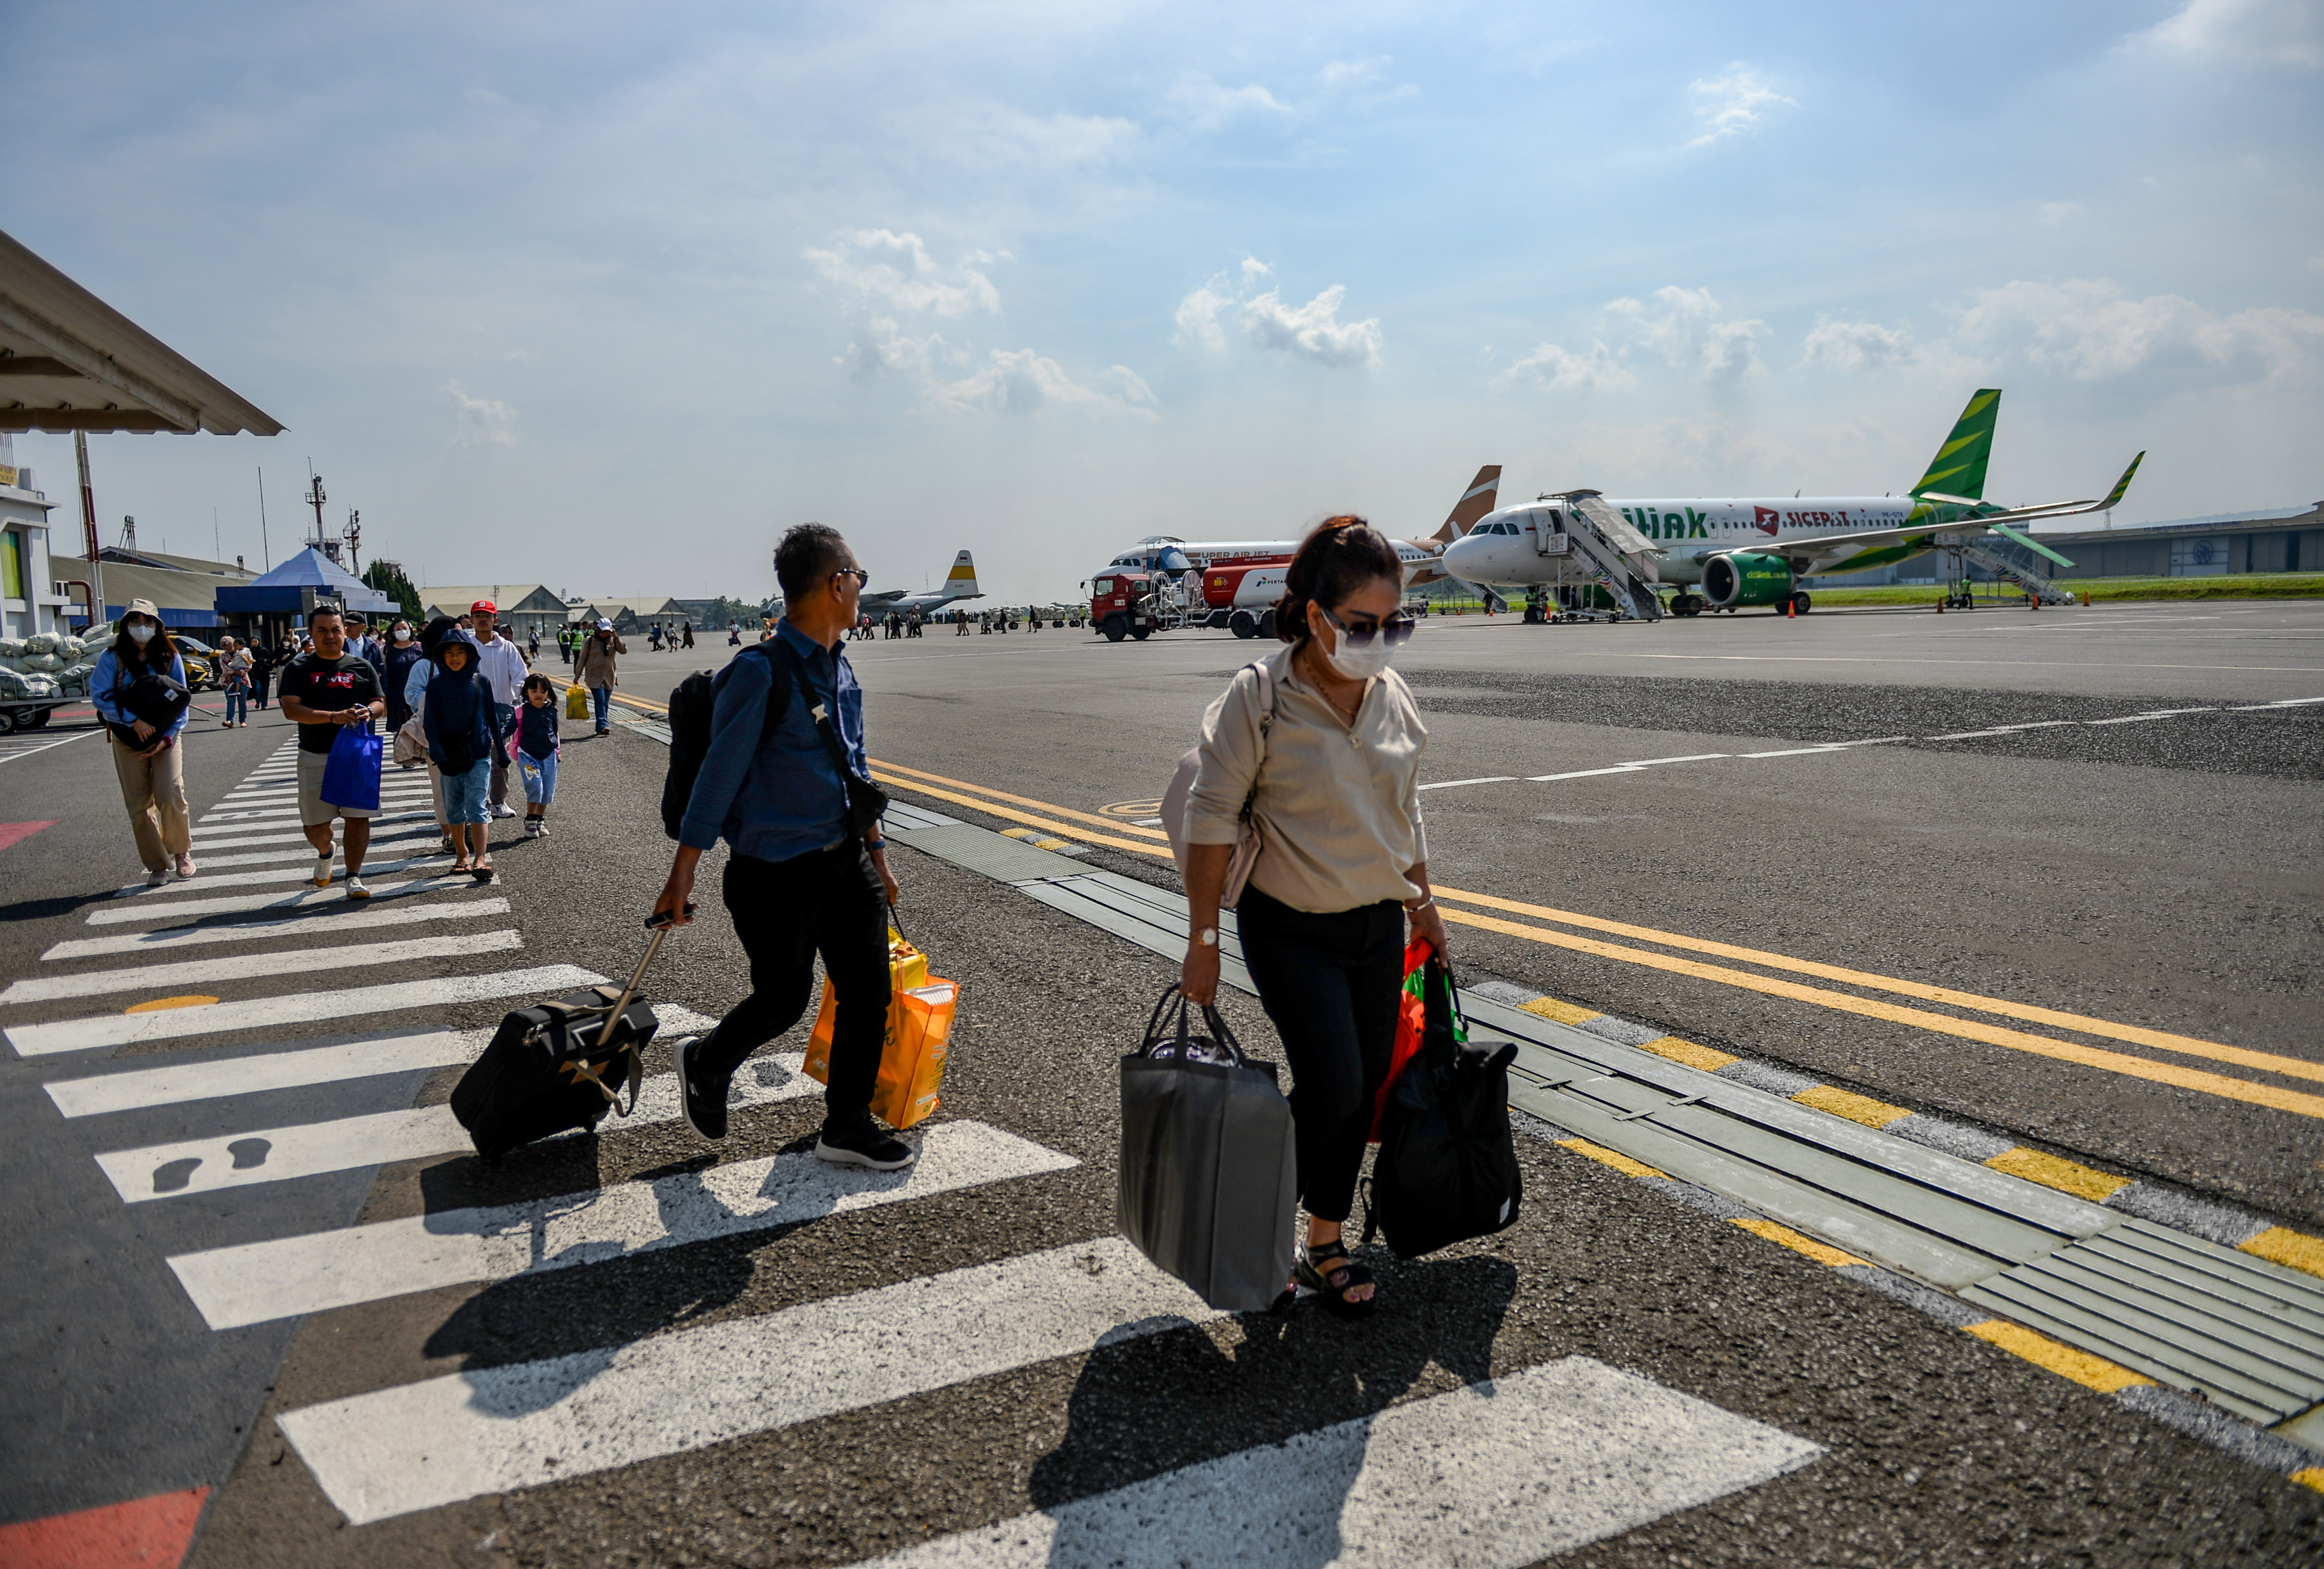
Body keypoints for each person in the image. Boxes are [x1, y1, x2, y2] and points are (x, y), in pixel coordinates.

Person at [1179, 518, 1446, 1320]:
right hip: (1289, 925)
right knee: (1331, 1084)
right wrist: (1201, 942)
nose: (1378, 641)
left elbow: (1404, 810)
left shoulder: (1393, 696)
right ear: (1313, 614)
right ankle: (1240, 1221)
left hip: (1372, 921)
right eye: (1361, 625)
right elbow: (1210, 815)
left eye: (1393, 624)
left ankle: (1321, 1237)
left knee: (1359, 1092)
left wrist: (1424, 903)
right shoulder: (1260, 696)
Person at [657, 522, 912, 1173]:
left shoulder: (841, 667)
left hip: (842, 861)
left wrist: (877, 856)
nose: (861, 589)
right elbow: (718, 777)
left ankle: (847, 1125)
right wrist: (682, 873)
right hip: (770, 874)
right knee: (783, 998)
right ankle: (707, 1061)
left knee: (868, 993)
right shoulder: (758, 673)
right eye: (858, 577)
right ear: (835, 584)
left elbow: (856, 769)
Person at [276, 606, 386, 900]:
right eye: (322, 630)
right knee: (315, 826)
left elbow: (380, 703)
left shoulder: (362, 667)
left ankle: (354, 876)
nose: (330, 636)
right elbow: (291, 709)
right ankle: (326, 851)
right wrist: (332, 716)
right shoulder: (298, 668)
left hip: (357, 755)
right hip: (316, 754)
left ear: (345, 632)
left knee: (358, 818)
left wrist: (368, 712)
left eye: (336, 629)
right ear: (311, 634)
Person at [91, 599, 196, 887]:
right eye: (135, 621)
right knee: (139, 805)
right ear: (125, 626)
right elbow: (100, 697)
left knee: (171, 792)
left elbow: (182, 699)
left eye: (148, 621)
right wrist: (131, 719)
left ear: (158, 626)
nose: (142, 627)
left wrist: (168, 735)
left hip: (166, 737)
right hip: (127, 737)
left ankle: (181, 852)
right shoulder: (111, 657)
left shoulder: (169, 657)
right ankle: (157, 864)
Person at [423, 633, 502, 880]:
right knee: (454, 809)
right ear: (441, 656)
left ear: (469, 655)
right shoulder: (435, 684)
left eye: (460, 652)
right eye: (449, 653)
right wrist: (436, 749)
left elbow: (493, 718)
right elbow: (430, 721)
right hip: (448, 756)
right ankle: (462, 854)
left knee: (478, 807)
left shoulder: (481, 681)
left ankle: (481, 859)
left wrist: (501, 750)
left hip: (479, 754)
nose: (455, 658)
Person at [461, 600, 530, 819]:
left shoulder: (507, 647)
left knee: (500, 755)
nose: (483, 620)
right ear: (471, 620)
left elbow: (521, 677)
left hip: (501, 710)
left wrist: (522, 701)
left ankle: (499, 802)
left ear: (495, 620)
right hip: (472, 710)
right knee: (474, 756)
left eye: (487, 616)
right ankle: (479, 801)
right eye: (478, 615)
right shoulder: (466, 646)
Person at [515, 671, 561, 838]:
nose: (539, 695)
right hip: (529, 755)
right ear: (527, 692)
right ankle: (530, 820)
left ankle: (540, 820)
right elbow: (509, 729)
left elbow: (555, 733)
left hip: (549, 755)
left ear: (549, 692)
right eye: (534, 691)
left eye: (543, 691)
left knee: (547, 790)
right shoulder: (521, 711)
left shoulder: (552, 711)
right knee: (535, 786)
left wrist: (558, 751)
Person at [577, 617, 625, 735]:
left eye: (607, 632)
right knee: (600, 700)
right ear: (598, 630)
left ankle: (600, 728)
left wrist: (616, 637)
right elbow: (582, 658)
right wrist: (577, 676)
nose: (605, 634)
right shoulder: (590, 641)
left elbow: (624, 651)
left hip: (609, 676)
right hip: (594, 676)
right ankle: (604, 725)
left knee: (605, 703)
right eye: (603, 632)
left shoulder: (613, 641)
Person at [381, 617, 425, 735]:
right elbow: (383, 673)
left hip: (417, 694)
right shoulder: (386, 650)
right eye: (398, 629)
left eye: (405, 628)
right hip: (395, 695)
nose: (402, 631)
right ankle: (400, 751)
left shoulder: (420, 648)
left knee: (419, 727)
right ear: (393, 632)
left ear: (411, 630)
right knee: (398, 729)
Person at [218, 636, 252, 727]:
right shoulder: (222, 656)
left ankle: (243, 721)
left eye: (226, 644)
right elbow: (224, 667)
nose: (224, 647)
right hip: (228, 681)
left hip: (243, 679)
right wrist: (233, 671)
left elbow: (249, 664)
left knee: (242, 701)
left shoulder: (242, 652)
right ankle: (230, 721)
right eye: (222, 645)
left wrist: (242, 672)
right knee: (231, 701)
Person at [249, 635, 274, 710]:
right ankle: (258, 701)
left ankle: (264, 704)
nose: (255, 643)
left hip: (264, 672)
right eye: (253, 642)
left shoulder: (264, 650)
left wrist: (264, 662)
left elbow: (270, 660)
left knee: (265, 689)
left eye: (256, 641)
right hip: (255, 673)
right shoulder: (250, 651)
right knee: (257, 688)